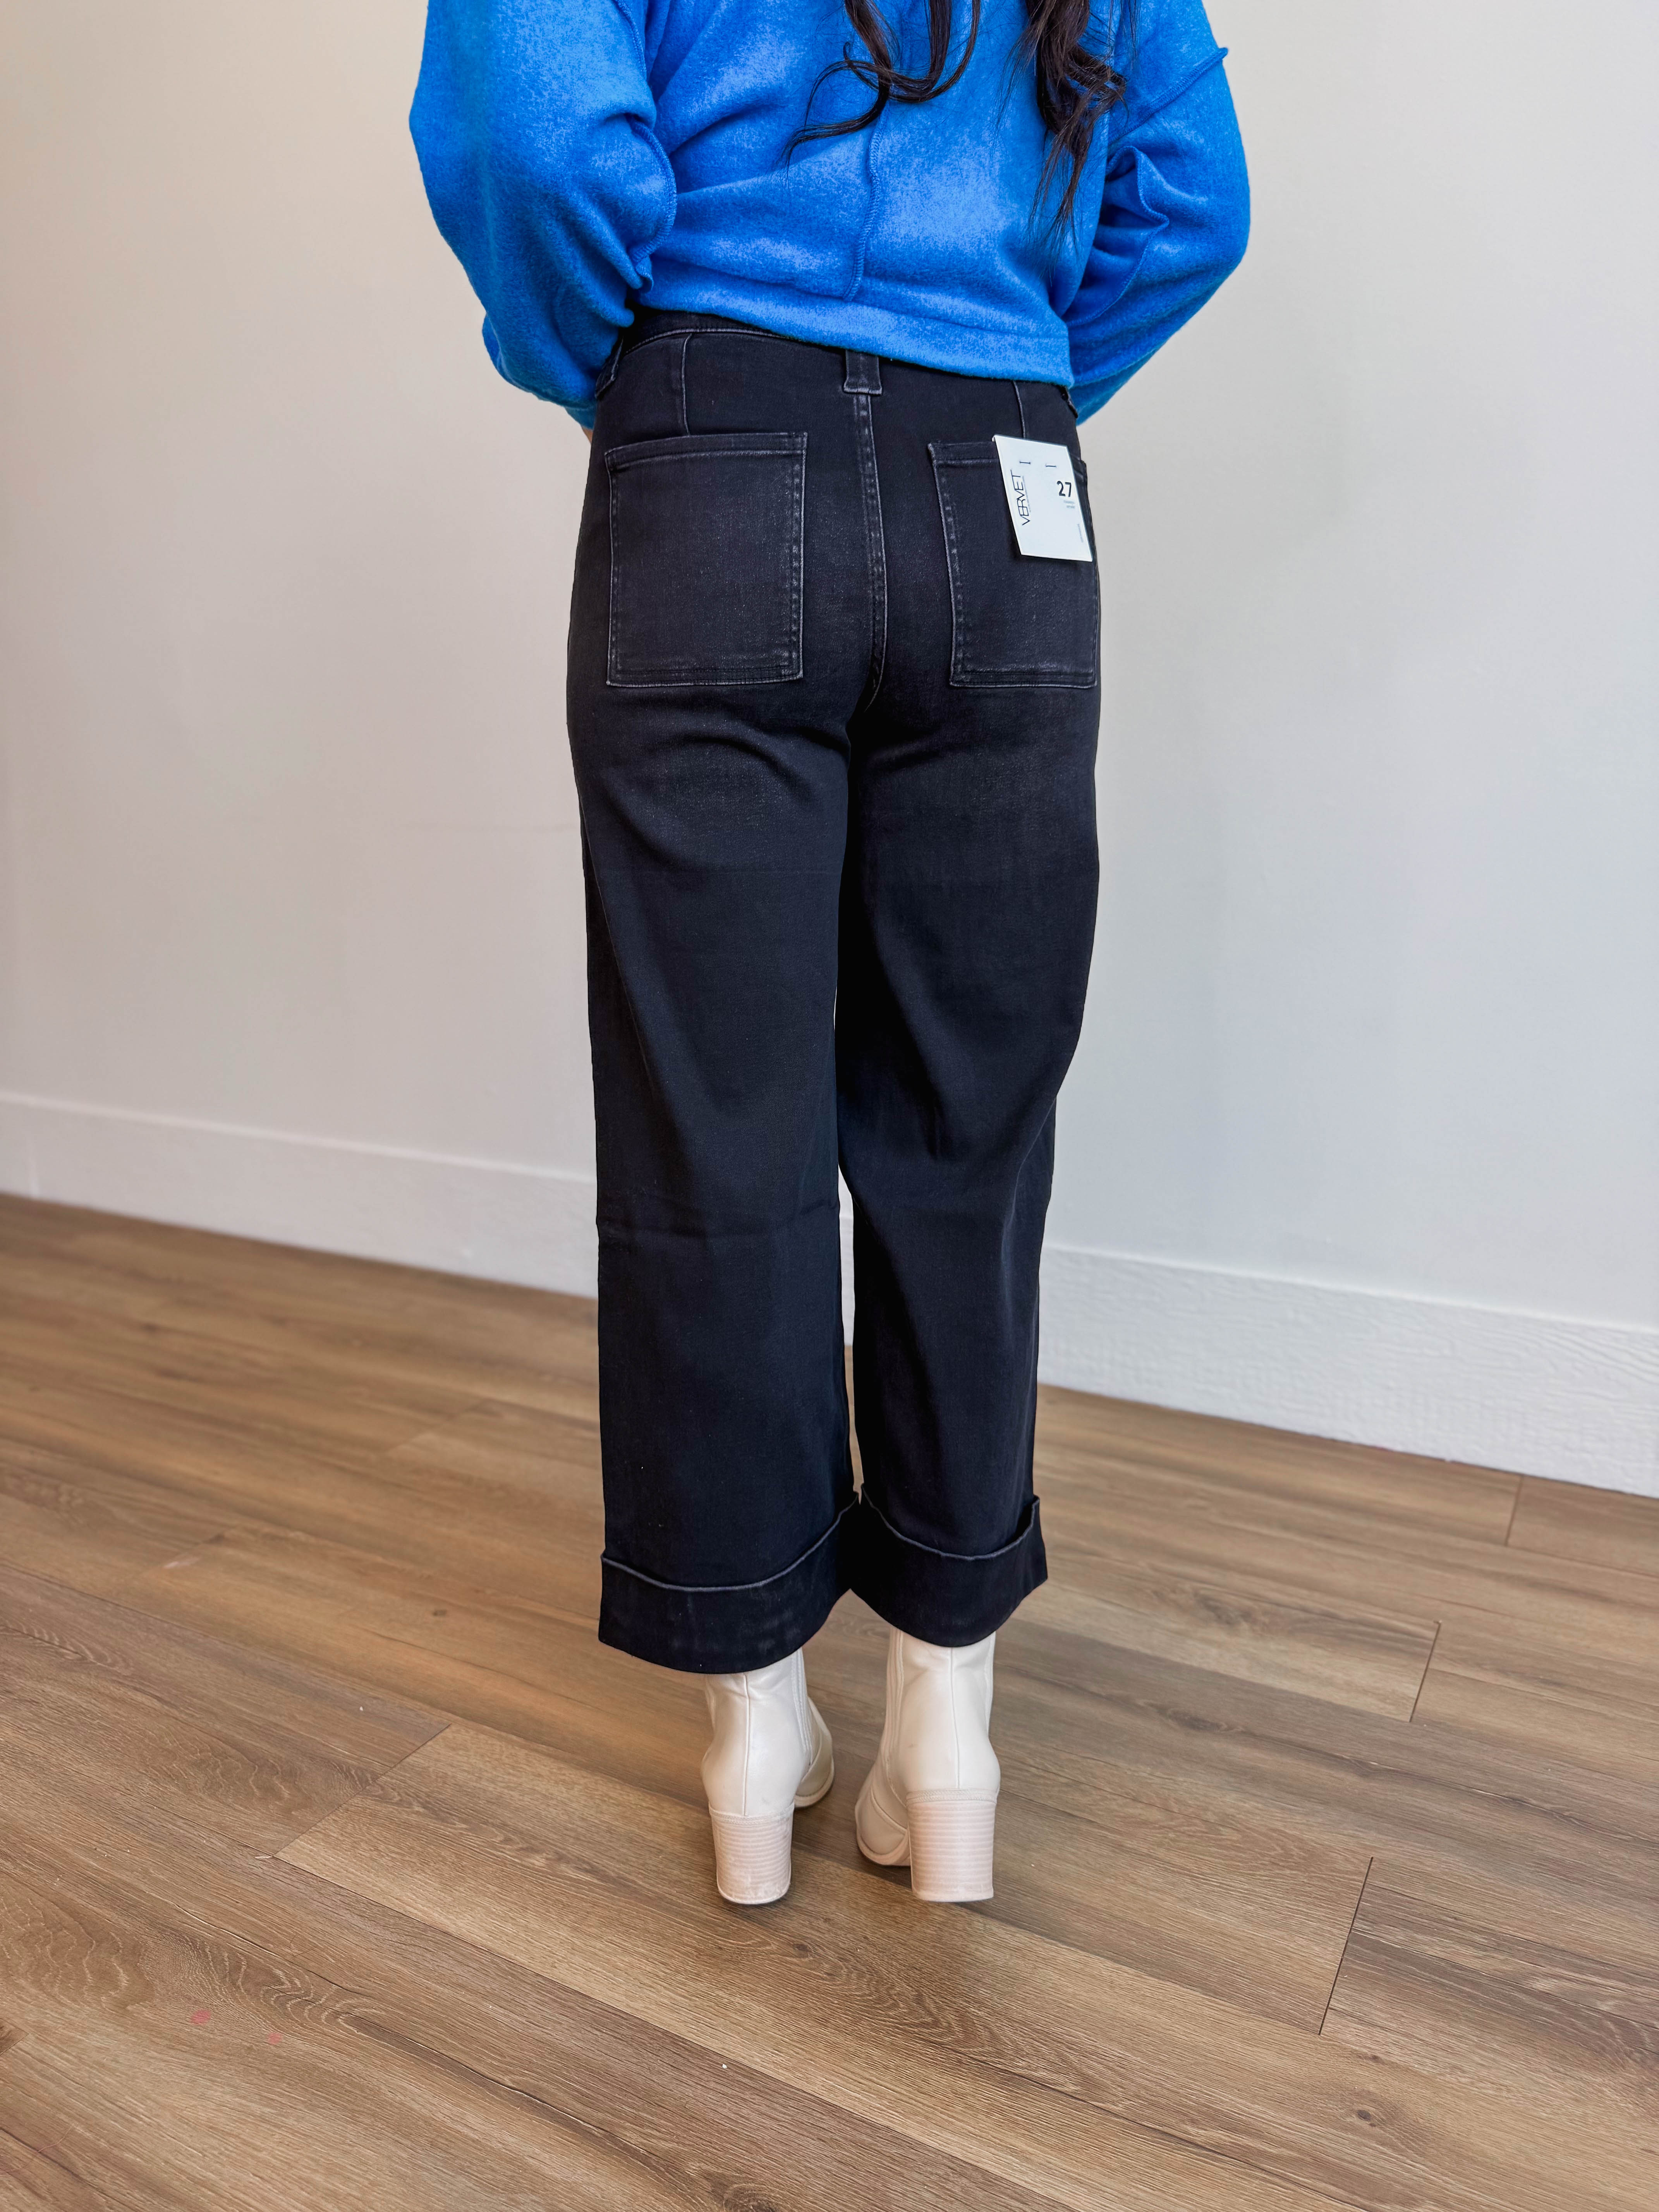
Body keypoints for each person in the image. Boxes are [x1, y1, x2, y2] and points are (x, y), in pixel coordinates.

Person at [412, 0, 1247, 1908]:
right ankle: (947, 1726)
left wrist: (636, 381)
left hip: (714, 434)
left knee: (720, 1120)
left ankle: (754, 1721)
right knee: (970, 1126)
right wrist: (999, 364)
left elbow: (535, 139)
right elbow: (1193, 200)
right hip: (1006, 476)